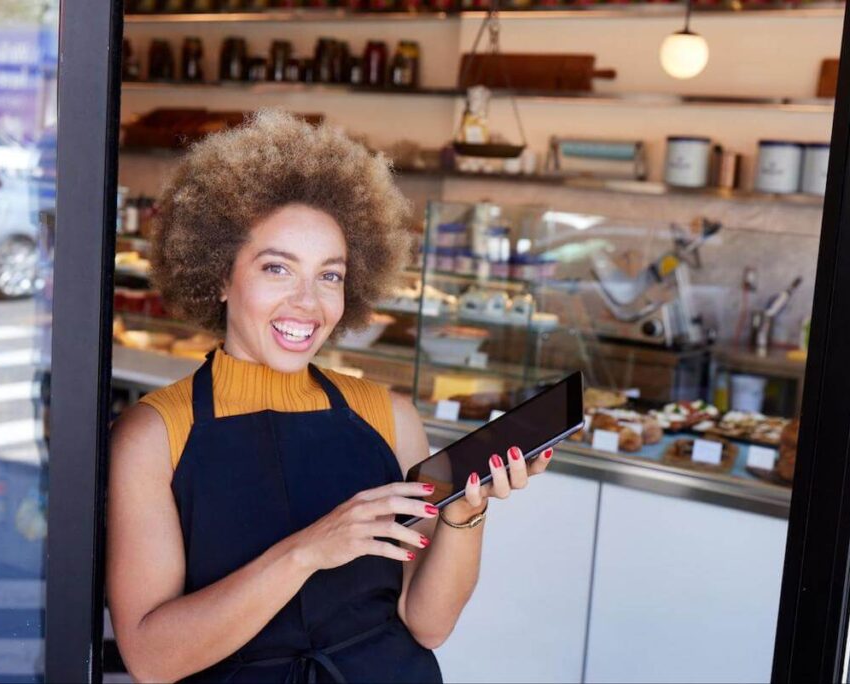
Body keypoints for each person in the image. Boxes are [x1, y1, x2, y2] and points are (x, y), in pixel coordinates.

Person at [106, 110, 555, 683]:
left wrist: (466, 512)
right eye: (277, 268)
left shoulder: (387, 415)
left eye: (330, 276)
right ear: (219, 275)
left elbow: (428, 625)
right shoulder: (154, 434)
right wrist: (308, 551)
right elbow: (149, 660)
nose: (307, 303)